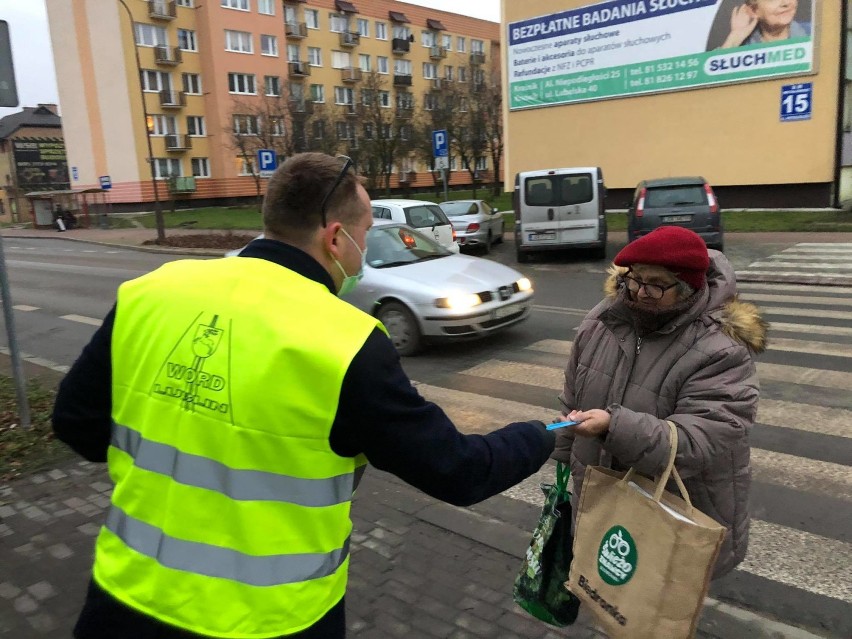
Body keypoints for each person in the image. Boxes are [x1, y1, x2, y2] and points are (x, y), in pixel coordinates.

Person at [52, 152, 556, 639]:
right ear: (336, 239)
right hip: (270, 619)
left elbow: (77, 425)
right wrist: (541, 433)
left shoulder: (152, 291)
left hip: (124, 600)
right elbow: (458, 471)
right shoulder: (346, 341)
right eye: (363, 236)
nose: (362, 249)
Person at [552, 226, 767, 579]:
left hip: (673, 505)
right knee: (611, 590)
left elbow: (700, 441)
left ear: (689, 287)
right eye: (635, 279)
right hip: (604, 496)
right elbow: (574, 394)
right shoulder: (603, 321)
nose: (641, 292)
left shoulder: (720, 348)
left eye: (657, 284)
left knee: (659, 601)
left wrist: (614, 426)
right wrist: (562, 454)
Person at [719, 0, 810, 49]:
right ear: (753, 11)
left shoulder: (813, 33)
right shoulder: (741, 47)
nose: (786, 3)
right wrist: (735, 37)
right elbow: (714, 77)